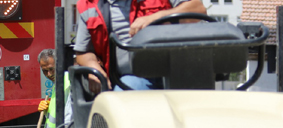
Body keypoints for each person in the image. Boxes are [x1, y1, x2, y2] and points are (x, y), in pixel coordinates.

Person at [74, 0, 206, 91]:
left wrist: (155, 18)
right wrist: (94, 69)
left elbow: (198, 10)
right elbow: (83, 52)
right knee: (123, 99)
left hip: (176, 74)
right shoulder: (89, 5)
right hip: (130, 79)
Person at [30, 49, 72, 128]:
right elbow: (57, 116)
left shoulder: (68, 84)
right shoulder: (58, 83)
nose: (49, 74)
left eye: (51, 69)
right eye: (44, 71)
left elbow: (69, 125)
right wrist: (47, 111)